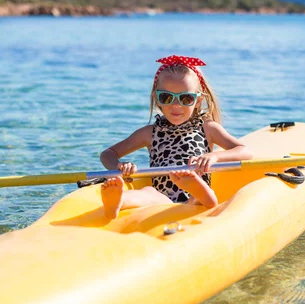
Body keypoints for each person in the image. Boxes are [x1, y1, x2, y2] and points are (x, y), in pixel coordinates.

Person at [100, 55, 254, 219]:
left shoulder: (208, 128)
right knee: (148, 192)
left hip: (195, 194)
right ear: (156, 98)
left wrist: (214, 156)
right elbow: (107, 154)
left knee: (198, 192)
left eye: (185, 98)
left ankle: (201, 195)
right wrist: (120, 168)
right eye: (166, 97)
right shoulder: (149, 132)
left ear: (198, 100)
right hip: (162, 199)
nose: (175, 105)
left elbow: (245, 151)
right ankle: (120, 201)